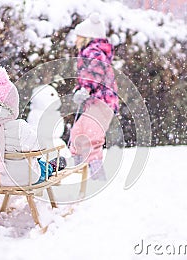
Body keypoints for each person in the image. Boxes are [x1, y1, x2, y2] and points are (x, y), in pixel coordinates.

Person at [0, 65, 65, 186]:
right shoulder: (19, 127)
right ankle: (51, 166)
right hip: (19, 179)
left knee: (31, 160)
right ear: (11, 103)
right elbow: (39, 146)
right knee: (40, 166)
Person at [69, 12, 119, 180]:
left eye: (77, 36)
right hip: (95, 102)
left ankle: (98, 177)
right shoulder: (89, 51)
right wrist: (80, 89)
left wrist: (85, 88)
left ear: (86, 37)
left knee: (91, 137)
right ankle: (76, 168)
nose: (75, 40)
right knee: (78, 131)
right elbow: (87, 77)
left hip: (103, 102)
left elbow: (95, 73)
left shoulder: (94, 52)